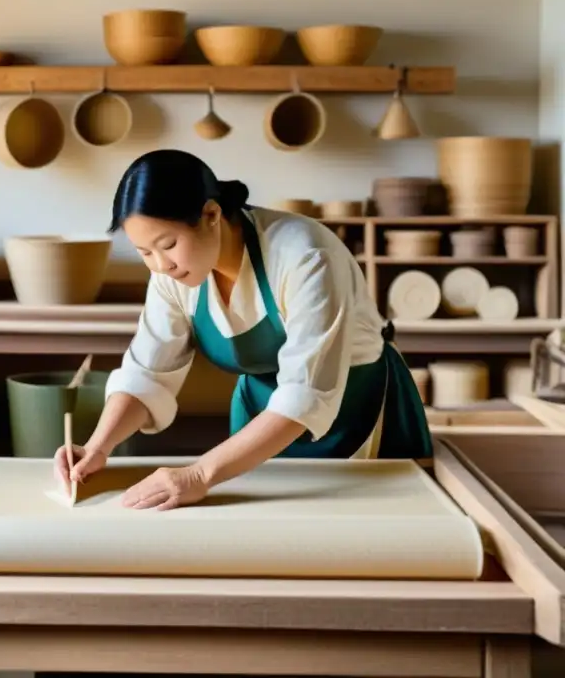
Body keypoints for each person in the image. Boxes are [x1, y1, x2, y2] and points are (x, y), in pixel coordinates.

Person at [54, 149, 431, 511]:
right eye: (144, 252)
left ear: (211, 214)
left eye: (168, 244)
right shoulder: (172, 274)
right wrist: (97, 448)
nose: (160, 265)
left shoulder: (305, 256)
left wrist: (199, 474)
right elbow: (148, 372)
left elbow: (305, 394)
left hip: (354, 408)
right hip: (261, 412)